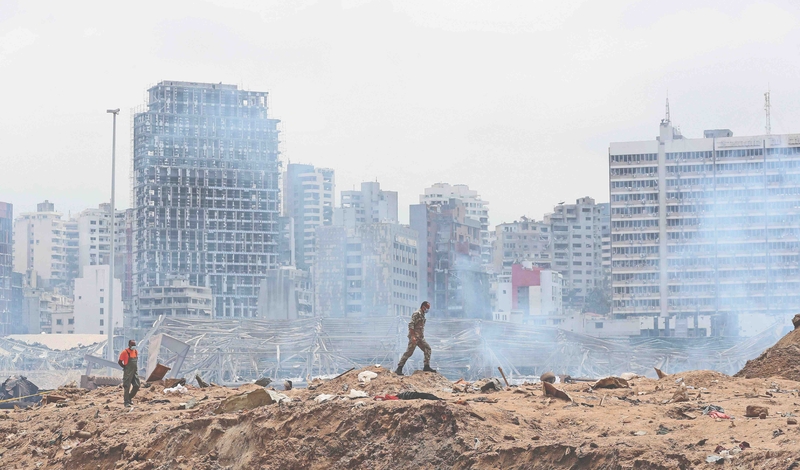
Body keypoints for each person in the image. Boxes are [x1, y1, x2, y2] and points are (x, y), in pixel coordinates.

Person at [395, 301, 436, 375]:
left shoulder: (422, 314)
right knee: (408, 353)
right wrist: (413, 336)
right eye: (427, 308)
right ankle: (399, 368)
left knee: (427, 349)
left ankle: (426, 366)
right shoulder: (417, 313)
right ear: (423, 307)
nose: (428, 310)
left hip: (420, 338)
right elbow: (411, 324)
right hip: (414, 337)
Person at [118, 339, 140, 407]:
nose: (133, 346)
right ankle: (126, 402)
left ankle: (129, 397)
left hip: (134, 371)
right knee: (127, 386)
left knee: (137, 385)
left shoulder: (135, 351)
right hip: (128, 372)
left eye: (134, 345)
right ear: (129, 345)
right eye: (132, 345)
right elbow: (119, 362)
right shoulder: (125, 352)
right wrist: (125, 367)